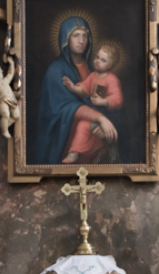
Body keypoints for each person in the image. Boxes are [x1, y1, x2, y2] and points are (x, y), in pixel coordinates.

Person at [34, 18, 118, 166]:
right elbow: (64, 106)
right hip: (66, 139)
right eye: (76, 35)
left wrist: (104, 122)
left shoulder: (95, 69)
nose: (81, 41)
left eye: (85, 35)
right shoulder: (56, 70)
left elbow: (108, 101)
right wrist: (100, 119)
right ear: (65, 39)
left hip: (95, 141)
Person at [62, 45, 124, 163]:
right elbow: (84, 88)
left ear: (110, 66)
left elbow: (117, 99)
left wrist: (103, 101)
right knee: (80, 124)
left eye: (103, 60)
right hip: (93, 111)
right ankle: (74, 153)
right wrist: (73, 88)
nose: (98, 61)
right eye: (97, 57)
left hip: (106, 113)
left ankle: (75, 153)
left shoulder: (112, 79)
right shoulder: (92, 75)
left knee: (84, 125)